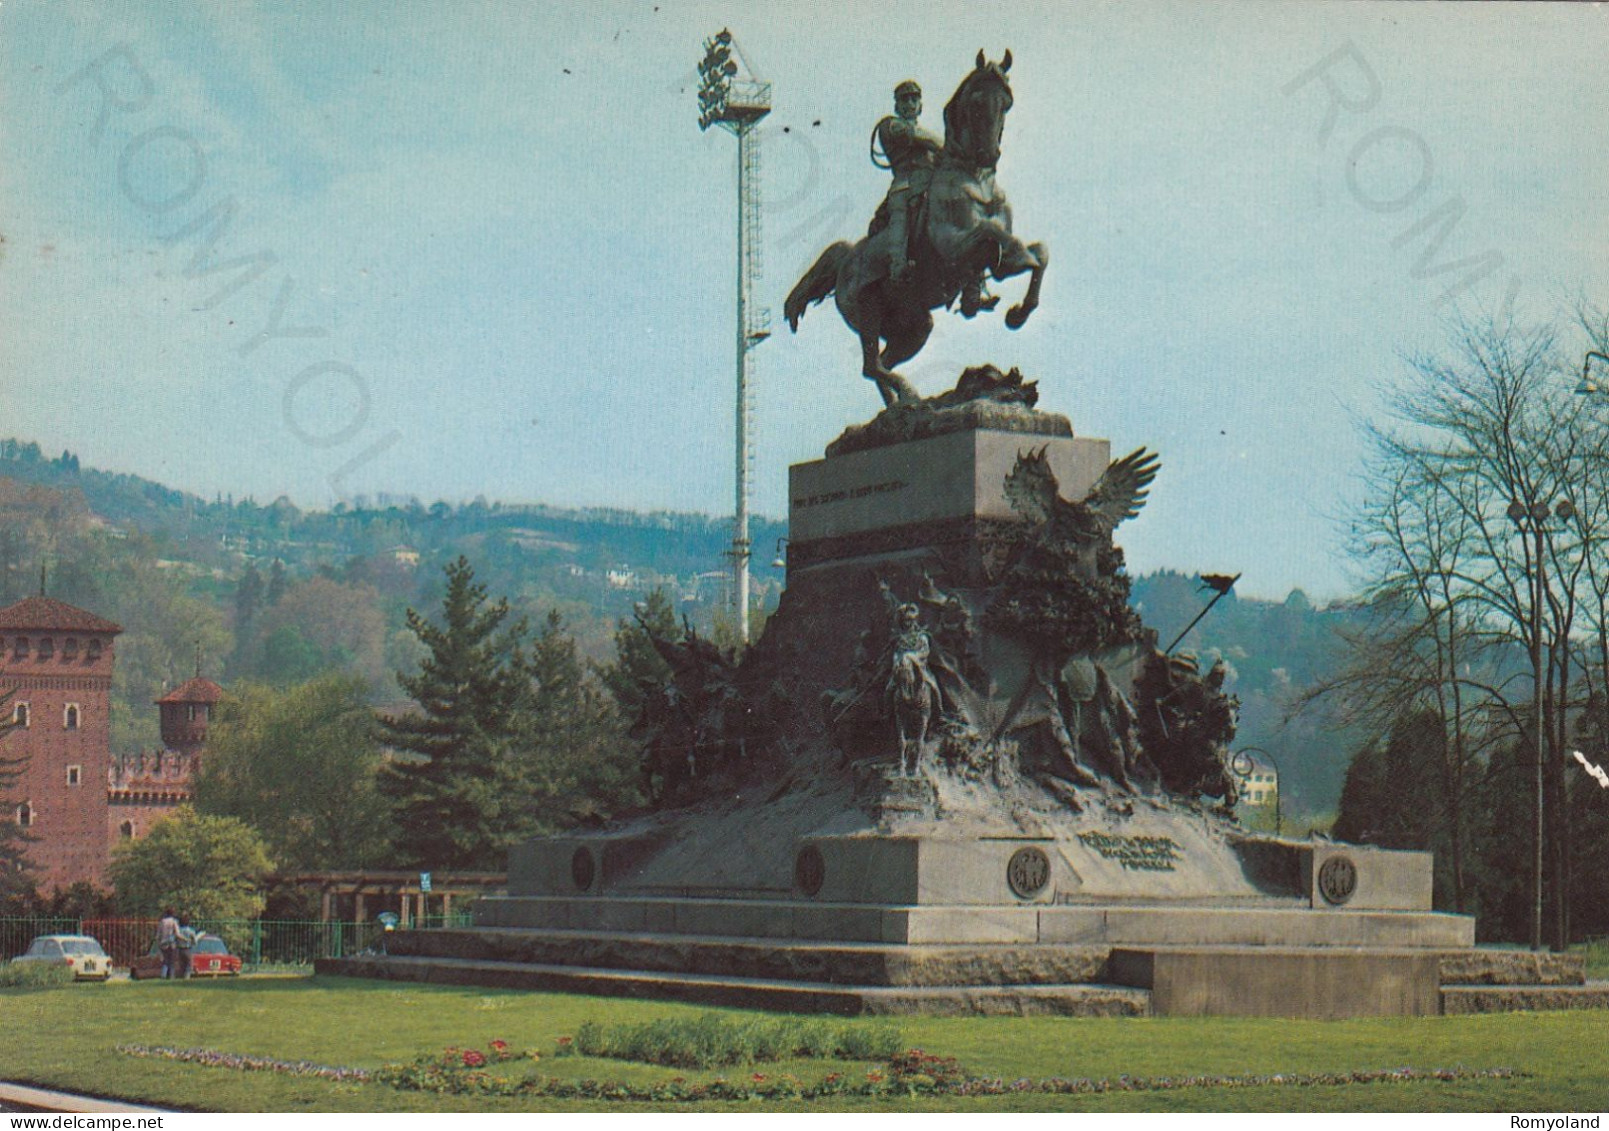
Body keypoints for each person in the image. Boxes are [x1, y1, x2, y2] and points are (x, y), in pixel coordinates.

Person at [874, 80, 943, 283]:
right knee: (900, 220)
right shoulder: (890, 125)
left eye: (914, 99)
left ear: (920, 105)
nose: (910, 103)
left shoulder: (927, 135)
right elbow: (923, 138)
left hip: (930, 182)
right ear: (897, 106)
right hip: (905, 184)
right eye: (904, 99)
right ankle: (898, 267)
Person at [156, 908, 180, 980]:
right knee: (172, 961)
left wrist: (159, 944)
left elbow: (158, 935)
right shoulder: (174, 922)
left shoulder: (162, 922)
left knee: (165, 961)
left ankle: (163, 975)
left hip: (163, 943)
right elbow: (177, 933)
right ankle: (171, 976)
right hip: (171, 944)